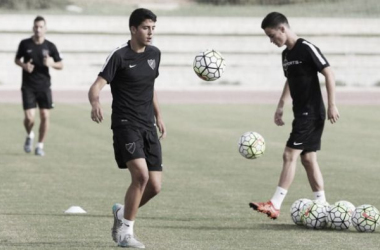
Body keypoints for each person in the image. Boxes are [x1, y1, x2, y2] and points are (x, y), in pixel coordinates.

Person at [249, 12, 340, 220]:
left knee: (289, 154)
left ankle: (275, 204)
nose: (271, 41)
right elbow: (290, 79)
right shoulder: (286, 55)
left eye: (272, 36)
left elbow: (329, 72)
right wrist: (281, 105)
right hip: (301, 113)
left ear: (283, 29)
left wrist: (332, 104)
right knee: (308, 159)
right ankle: (322, 205)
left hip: (311, 112)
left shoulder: (306, 47)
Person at [88, 8, 166, 248]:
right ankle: (125, 233)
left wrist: (159, 116)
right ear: (133, 29)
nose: (150, 32)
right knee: (140, 176)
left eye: (153, 27)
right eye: (145, 27)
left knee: (154, 186)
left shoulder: (155, 54)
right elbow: (96, 86)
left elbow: (149, 87)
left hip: (147, 126)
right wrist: (95, 102)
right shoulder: (119, 56)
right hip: (125, 124)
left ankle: (122, 212)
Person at [15, 16, 63, 156]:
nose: (38, 29)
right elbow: (16, 59)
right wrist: (24, 65)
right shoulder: (25, 44)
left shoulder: (50, 46)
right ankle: (29, 134)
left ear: (45, 29)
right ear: (33, 28)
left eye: (41, 27)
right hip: (28, 86)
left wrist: (51, 64)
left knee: (45, 116)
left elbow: (61, 64)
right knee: (30, 118)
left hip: (44, 86)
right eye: (36, 27)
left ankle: (40, 145)